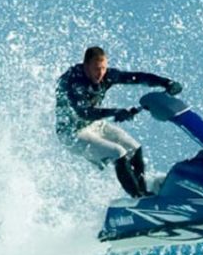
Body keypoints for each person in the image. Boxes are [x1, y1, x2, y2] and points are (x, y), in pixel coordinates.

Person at [56, 46, 182, 198]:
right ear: (85, 66)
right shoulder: (74, 82)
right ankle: (137, 197)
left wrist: (166, 83)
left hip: (93, 125)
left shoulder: (106, 75)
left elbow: (137, 77)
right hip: (72, 134)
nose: (100, 73)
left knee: (134, 148)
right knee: (118, 153)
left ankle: (144, 194)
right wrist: (115, 112)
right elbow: (84, 112)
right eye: (96, 69)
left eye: (103, 68)